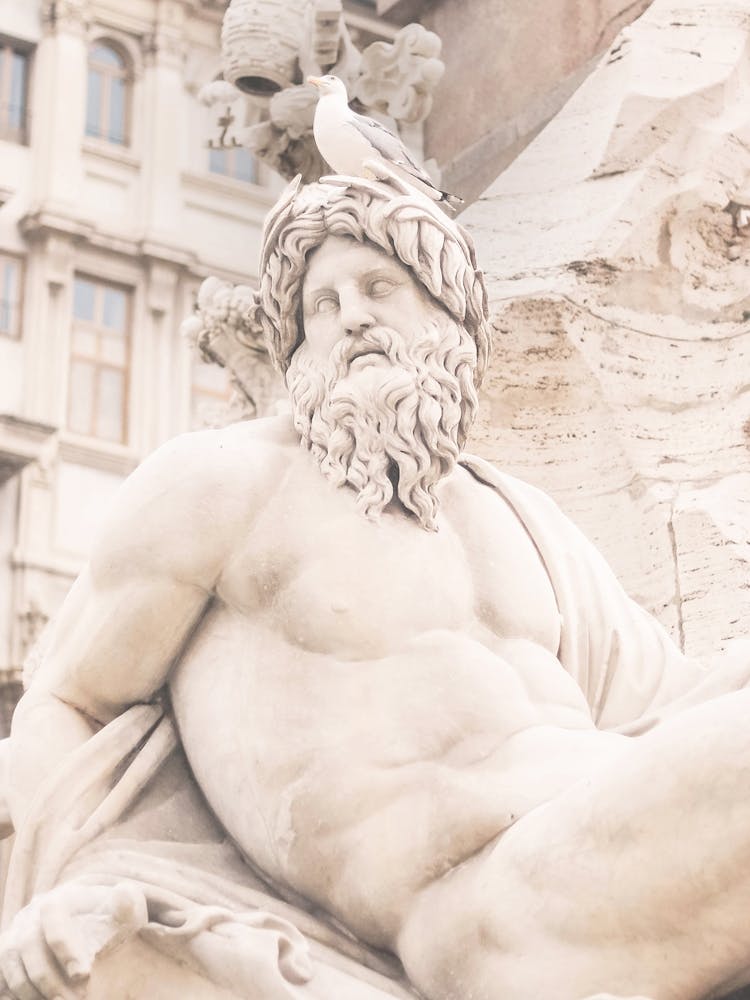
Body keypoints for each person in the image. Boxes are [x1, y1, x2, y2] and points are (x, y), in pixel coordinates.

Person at [2, 172, 750, 1000]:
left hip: (614, 818)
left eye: (377, 287)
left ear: (447, 318)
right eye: (320, 306)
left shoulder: (522, 518)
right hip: (492, 908)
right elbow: (67, 699)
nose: (350, 315)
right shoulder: (226, 484)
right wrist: (76, 881)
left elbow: (668, 703)